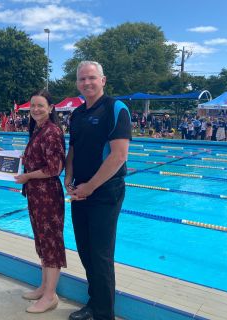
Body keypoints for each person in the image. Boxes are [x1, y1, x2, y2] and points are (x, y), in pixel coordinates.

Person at [65, 61, 131, 320]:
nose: (87, 83)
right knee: (85, 251)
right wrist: (68, 177)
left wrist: (89, 188)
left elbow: (119, 156)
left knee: (101, 255)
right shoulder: (77, 114)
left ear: (103, 80)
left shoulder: (116, 108)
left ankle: (105, 314)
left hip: (104, 193)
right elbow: (73, 149)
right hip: (80, 191)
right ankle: (94, 305)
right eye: (82, 79)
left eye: (92, 78)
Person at [14, 89, 66, 314]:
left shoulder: (52, 132)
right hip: (36, 194)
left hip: (48, 195)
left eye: (40, 105)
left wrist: (27, 176)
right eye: (33, 105)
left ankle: (50, 295)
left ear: (50, 108)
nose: (35, 109)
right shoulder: (37, 129)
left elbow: (54, 168)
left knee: (51, 243)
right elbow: (33, 159)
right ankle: (44, 287)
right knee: (42, 241)